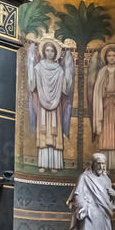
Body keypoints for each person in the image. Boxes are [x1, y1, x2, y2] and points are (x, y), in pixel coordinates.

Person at [28, 38, 74, 173]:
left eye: (52, 51)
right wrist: (30, 67)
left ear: (55, 53)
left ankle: (55, 164)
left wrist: (68, 73)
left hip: (56, 106)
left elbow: (65, 90)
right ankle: (42, 163)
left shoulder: (59, 70)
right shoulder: (38, 68)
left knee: (54, 132)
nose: (49, 53)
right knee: (43, 131)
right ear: (43, 52)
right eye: (47, 50)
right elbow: (32, 86)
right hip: (42, 106)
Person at [92, 44, 115, 171]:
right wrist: (104, 90)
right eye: (109, 55)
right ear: (105, 57)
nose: (111, 58)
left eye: (114, 55)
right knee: (106, 134)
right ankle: (105, 166)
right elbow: (97, 91)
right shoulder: (102, 71)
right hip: (105, 107)